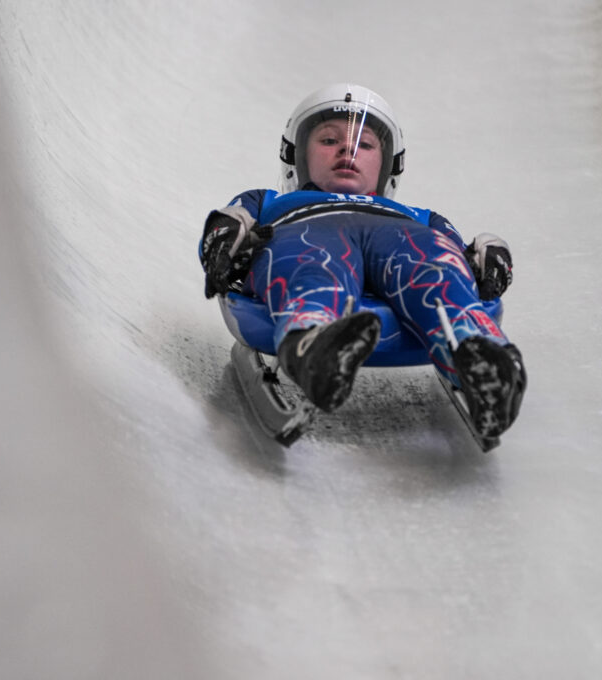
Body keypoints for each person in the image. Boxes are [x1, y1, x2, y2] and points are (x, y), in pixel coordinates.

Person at [200, 84, 526, 439]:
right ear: (299, 156)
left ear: (387, 166)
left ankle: (485, 363)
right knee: (311, 264)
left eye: (366, 144)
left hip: (399, 233)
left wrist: (492, 255)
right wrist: (222, 245)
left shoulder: (419, 216)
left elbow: (465, 252)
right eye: (327, 140)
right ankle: (315, 344)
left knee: (435, 270)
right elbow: (230, 219)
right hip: (306, 228)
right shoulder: (269, 201)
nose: (347, 149)